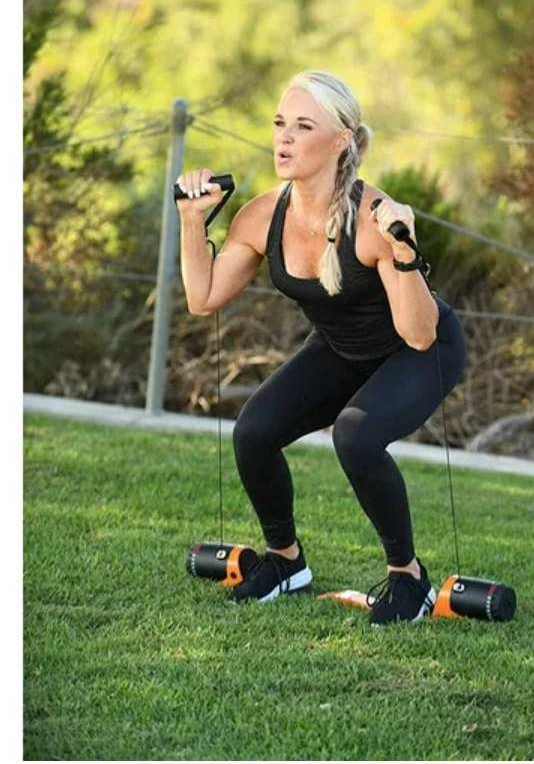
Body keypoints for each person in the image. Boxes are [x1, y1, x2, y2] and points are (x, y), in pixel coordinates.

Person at [176, 70, 467, 625]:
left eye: (302, 126)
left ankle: (409, 577)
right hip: (340, 348)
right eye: (280, 123)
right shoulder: (263, 216)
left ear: (341, 141)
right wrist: (194, 220)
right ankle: (286, 562)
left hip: (421, 346)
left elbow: (419, 334)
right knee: (255, 431)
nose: (284, 138)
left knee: (357, 435)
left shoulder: (375, 219)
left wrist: (404, 251)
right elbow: (203, 296)